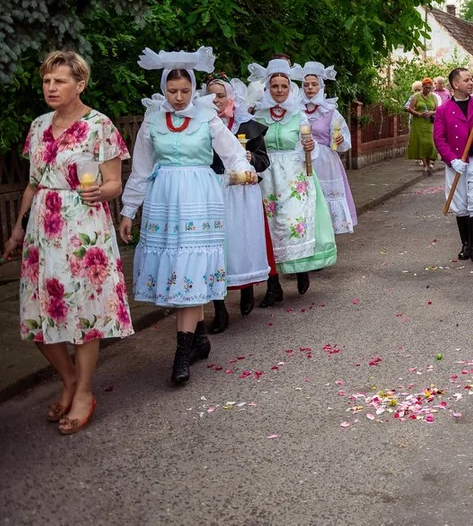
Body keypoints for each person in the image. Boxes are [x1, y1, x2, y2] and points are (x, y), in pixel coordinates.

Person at [2, 51, 132, 434]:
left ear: (80, 84)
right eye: (47, 81)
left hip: (83, 228)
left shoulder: (100, 126)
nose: (51, 88)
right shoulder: (39, 124)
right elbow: (32, 182)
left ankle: (84, 391)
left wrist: (101, 194)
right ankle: (70, 379)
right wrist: (17, 230)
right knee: (39, 314)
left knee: (84, 314)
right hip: (43, 229)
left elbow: (114, 182)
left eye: (59, 81)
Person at [120, 47, 254, 385]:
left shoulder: (206, 116)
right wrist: (128, 210)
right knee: (176, 272)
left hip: (199, 198)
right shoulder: (152, 119)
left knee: (190, 270)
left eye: (184, 91)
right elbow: (140, 168)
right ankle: (198, 340)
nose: (179, 98)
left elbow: (232, 151)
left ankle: (182, 355)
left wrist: (245, 169)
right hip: (163, 199)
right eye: (172, 91)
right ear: (164, 89)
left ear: (193, 89)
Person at [249, 58, 338, 305]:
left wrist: (309, 147)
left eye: (284, 86)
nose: (279, 90)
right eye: (274, 86)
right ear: (268, 88)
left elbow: (308, 148)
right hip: (266, 177)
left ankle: (300, 269)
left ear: (290, 89)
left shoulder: (298, 115)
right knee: (269, 229)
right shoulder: (258, 115)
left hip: (294, 176)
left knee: (292, 225)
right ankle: (273, 285)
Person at [204, 74, 271, 334]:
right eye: (211, 95)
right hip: (212, 190)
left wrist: (249, 157)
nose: (216, 101)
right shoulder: (200, 124)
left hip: (242, 192)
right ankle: (219, 308)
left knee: (241, 243)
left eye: (221, 95)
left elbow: (264, 161)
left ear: (231, 98)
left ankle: (246, 287)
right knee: (216, 247)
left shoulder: (246, 125)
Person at [433, 67, 473, 264]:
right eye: (467, 80)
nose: (471, 83)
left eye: (472, 79)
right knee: (460, 203)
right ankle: (466, 245)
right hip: (457, 162)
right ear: (455, 84)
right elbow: (439, 138)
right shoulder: (443, 110)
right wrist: (451, 159)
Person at [299, 62, 357, 234]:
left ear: (321, 86)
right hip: (301, 160)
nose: (310, 88)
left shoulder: (330, 111)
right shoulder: (295, 111)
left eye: (314, 84)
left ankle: (327, 233)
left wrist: (339, 139)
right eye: (306, 85)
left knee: (324, 196)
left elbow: (344, 141)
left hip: (325, 161)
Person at [405, 78, 439, 175]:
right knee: (422, 143)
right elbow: (409, 109)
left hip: (429, 123)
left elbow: (438, 110)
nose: (428, 90)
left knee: (430, 143)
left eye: (430, 88)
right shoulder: (416, 96)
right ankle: (425, 164)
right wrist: (419, 114)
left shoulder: (434, 97)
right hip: (418, 123)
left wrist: (431, 112)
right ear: (422, 87)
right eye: (426, 88)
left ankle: (429, 162)